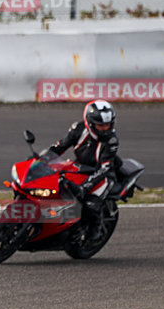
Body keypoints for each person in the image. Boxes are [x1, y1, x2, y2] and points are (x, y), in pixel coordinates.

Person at [46, 99, 121, 241]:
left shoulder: (111, 140)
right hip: (80, 167)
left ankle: (95, 230)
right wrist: (43, 159)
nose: (105, 128)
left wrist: (85, 187)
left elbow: (105, 167)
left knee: (91, 204)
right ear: (90, 123)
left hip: (103, 174)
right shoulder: (78, 129)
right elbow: (60, 146)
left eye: (108, 125)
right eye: (101, 125)